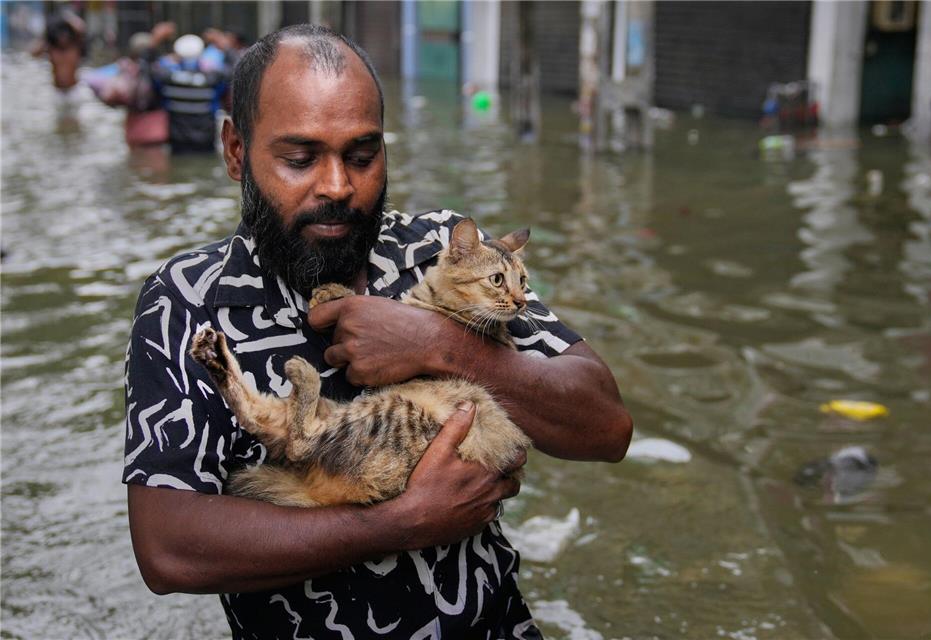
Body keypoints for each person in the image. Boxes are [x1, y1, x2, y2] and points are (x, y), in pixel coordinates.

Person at [123, 24, 632, 638]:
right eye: (300, 158)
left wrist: (439, 344)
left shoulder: (440, 251)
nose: (338, 185)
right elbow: (167, 548)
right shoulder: (187, 300)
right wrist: (400, 523)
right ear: (236, 152)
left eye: (362, 156)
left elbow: (607, 427)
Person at [152, 33, 231, 153]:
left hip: (177, 140)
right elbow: (234, 70)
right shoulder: (213, 79)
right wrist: (225, 46)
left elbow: (148, 68)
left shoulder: (167, 79)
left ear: (177, 54)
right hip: (206, 139)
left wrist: (155, 40)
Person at [31, 9, 86, 112]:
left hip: (74, 91)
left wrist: (67, 16)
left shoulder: (75, 46)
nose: (63, 38)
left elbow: (81, 27)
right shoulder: (51, 48)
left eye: (65, 35)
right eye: (60, 35)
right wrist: (46, 35)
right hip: (57, 92)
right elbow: (33, 54)